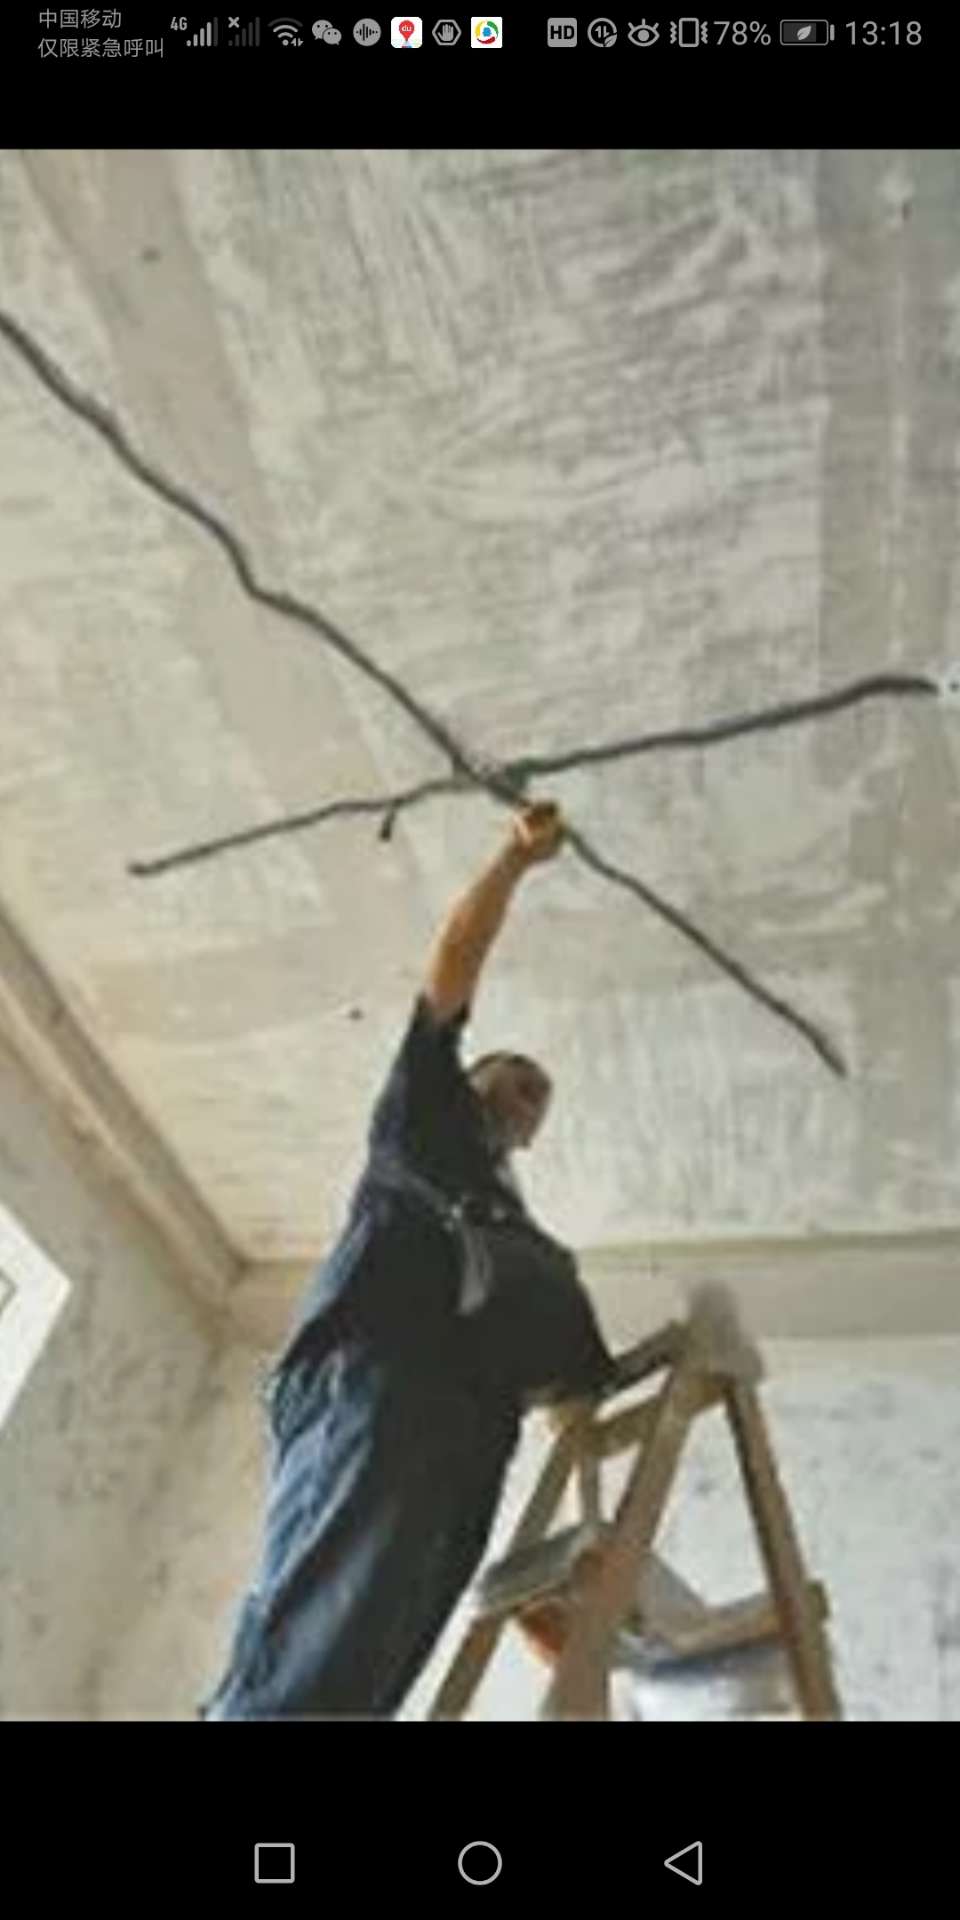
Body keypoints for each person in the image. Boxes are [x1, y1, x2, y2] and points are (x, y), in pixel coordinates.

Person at [199, 799, 622, 1720]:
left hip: (461, 1425)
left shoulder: (513, 1226)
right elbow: (453, 968)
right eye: (515, 1079)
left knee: (399, 1622)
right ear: (468, 1080)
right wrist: (513, 860)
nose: (528, 1098)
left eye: (540, 1100)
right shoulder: (421, 1118)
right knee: (325, 1605)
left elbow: (559, 1369)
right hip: (370, 1382)